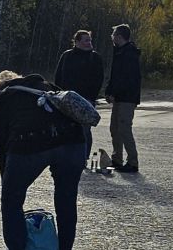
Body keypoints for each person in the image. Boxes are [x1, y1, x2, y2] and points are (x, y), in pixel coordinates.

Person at [0, 71, 91, 250]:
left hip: (30, 142)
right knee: (66, 199)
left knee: (12, 199)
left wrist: (7, 181)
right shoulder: (48, 86)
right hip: (73, 142)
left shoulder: (3, 100)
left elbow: (2, 148)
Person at [104, 24, 143, 173]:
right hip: (119, 97)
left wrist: (114, 92)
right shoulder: (119, 52)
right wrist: (109, 91)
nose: (112, 37)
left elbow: (127, 79)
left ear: (119, 36)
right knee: (115, 128)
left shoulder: (129, 54)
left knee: (124, 129)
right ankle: (117, 159)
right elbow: (115, 77)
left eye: (114, 35)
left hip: (127, 98)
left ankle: (132, 162)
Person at [53, 30, 105, 103]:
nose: (89, 43)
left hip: (87, 99)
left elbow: (99, 79)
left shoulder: (95, 58)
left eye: (90, 40)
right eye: (86, 40)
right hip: (66, 98)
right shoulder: (67, 55)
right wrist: (59, 93)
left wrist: (92, 96)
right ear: (77, 42)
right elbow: (58, 76)